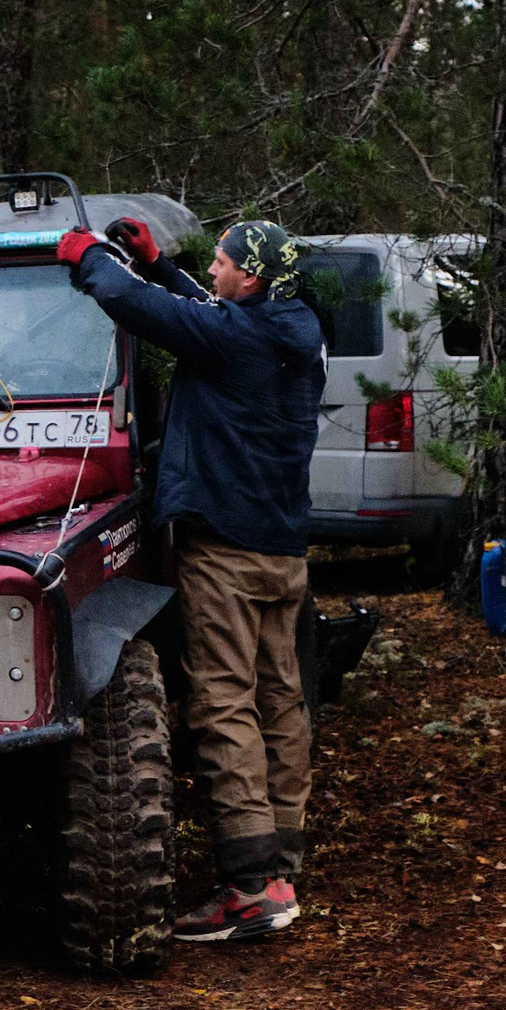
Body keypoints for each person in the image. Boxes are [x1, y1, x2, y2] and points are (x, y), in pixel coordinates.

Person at [55, 215, 326, 943]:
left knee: (223, 702)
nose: (211, 270)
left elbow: (137, 307)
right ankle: (280, 869)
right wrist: (160, 263)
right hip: (282, 550)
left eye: (221, 261)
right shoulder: (293, 327)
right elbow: (206, 313)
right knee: (280, 699)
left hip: (225, 549)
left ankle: (249, 887)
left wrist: (91, 256)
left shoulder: (238, 337)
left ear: (252, 275)